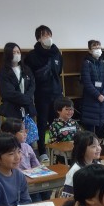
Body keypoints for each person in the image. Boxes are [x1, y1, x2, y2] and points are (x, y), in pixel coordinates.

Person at [25, 25, 63, 163]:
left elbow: (59, 71)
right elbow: (30, 76)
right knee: (42, 123)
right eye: (44, 35)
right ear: (39, 38)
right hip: (41, 94)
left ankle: (57, 148)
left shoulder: (56, 53)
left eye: (49, 35)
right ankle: (42, 151)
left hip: (56, 93)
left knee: (56, 123)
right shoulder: (32, 55)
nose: (48, 38)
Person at [0, 42, 36, 121]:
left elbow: (32, 85)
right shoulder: (4, 72)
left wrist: (27, 97)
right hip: (13, 110)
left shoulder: (26, 69)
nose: (17, 54)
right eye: (14, 52)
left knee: (30, 128)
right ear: (8, 54)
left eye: (18, 52)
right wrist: (24, 99)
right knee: (15, 128)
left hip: (28, 108)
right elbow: (8, 92)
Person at [80, 39, 104, 134]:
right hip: (91, 100)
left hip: (103, 100)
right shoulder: (86, 63)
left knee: (102, 130)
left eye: (99, 47)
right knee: (91, 132)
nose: (97, 49)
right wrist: (98, 95)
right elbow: (87, 82)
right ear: (89, 50)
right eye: (94, 47)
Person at [62, 130, 102, 197]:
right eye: (93, 146)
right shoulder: (75, 171)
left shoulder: (98, 165)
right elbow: (67, 197)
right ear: (82, 150)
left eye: (98, 145)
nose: (99, 148)